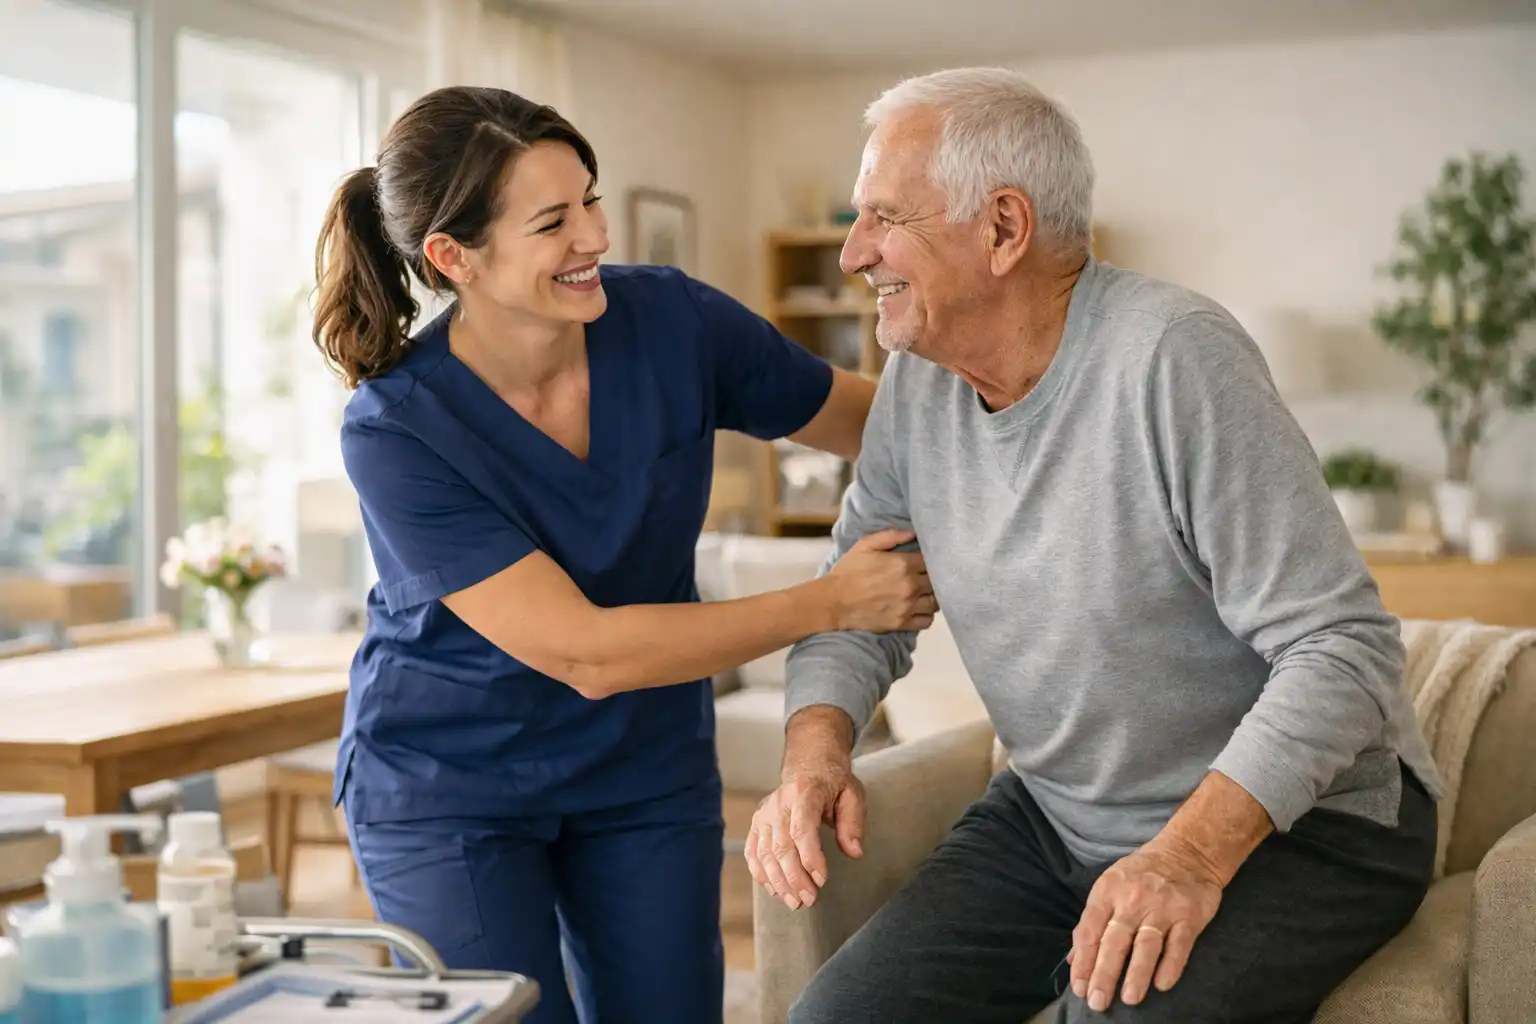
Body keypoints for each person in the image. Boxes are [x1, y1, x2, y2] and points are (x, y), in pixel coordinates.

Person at [746, 68, 1444, 1024]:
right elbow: (858, 601)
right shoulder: (917, 389)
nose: (854, 254)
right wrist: (815, 752)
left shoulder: (1175, 358)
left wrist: (1188, 859)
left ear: (1002, 228)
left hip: (1309, 827)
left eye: (884, 218)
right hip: (1059, 816)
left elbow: (1341, 648)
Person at [311, 85, 937, 1024]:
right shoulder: (397, 427)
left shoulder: (673, 325)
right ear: (453, 257)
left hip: (640, 766)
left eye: (592, 200)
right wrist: (834, 600)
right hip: (451, 785)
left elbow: (883, 427)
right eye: (554, 221)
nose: (595, 235)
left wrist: (1045, 426)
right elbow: (585, 653)